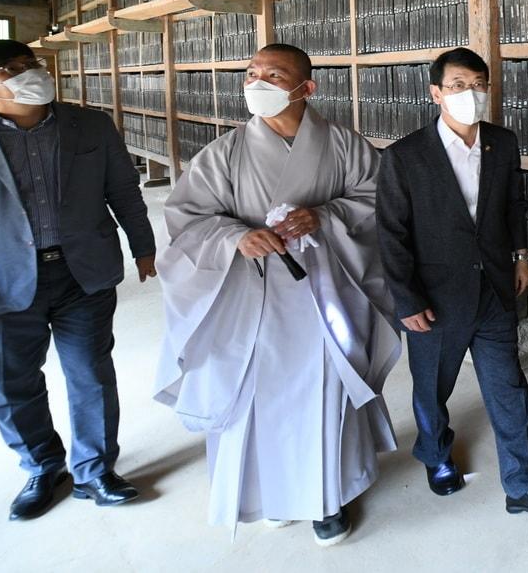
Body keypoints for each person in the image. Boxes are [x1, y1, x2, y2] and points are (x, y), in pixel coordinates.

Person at [153, 44, 400, 545]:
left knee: (324, 391)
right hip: (251, 300)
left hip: (325, 295)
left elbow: (380, 200)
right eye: (252, 73)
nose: (257, 82)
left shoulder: (343, 145)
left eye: (273, 74)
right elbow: (186, 218)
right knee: (256, 400)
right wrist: (235, 238)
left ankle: (327, 499)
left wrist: (325, 216)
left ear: (305, 88)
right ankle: (269, 494)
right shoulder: (224, 152)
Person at [377, 47, 528, 515]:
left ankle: (522, 486)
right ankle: (436, 455)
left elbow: (513, 205)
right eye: (459, 85)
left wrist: (521, 256)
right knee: (431, 389)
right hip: (434, 299)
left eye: (479, 84)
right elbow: (391, 234)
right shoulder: (404, 156)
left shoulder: (503, 142)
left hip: (495, 290)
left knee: (509, 389)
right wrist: (406, 300)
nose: (471, 93)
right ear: (436, 92)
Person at [0, 39, 155, 521]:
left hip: (82, 271)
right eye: (11, 69)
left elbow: (123, 188)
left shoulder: (90, 124)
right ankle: (42, 464)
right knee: (10, 383)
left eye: (31, 64)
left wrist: (142, 245)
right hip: (3, 279)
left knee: (90, 373)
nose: (28, 73)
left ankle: (95, 469)